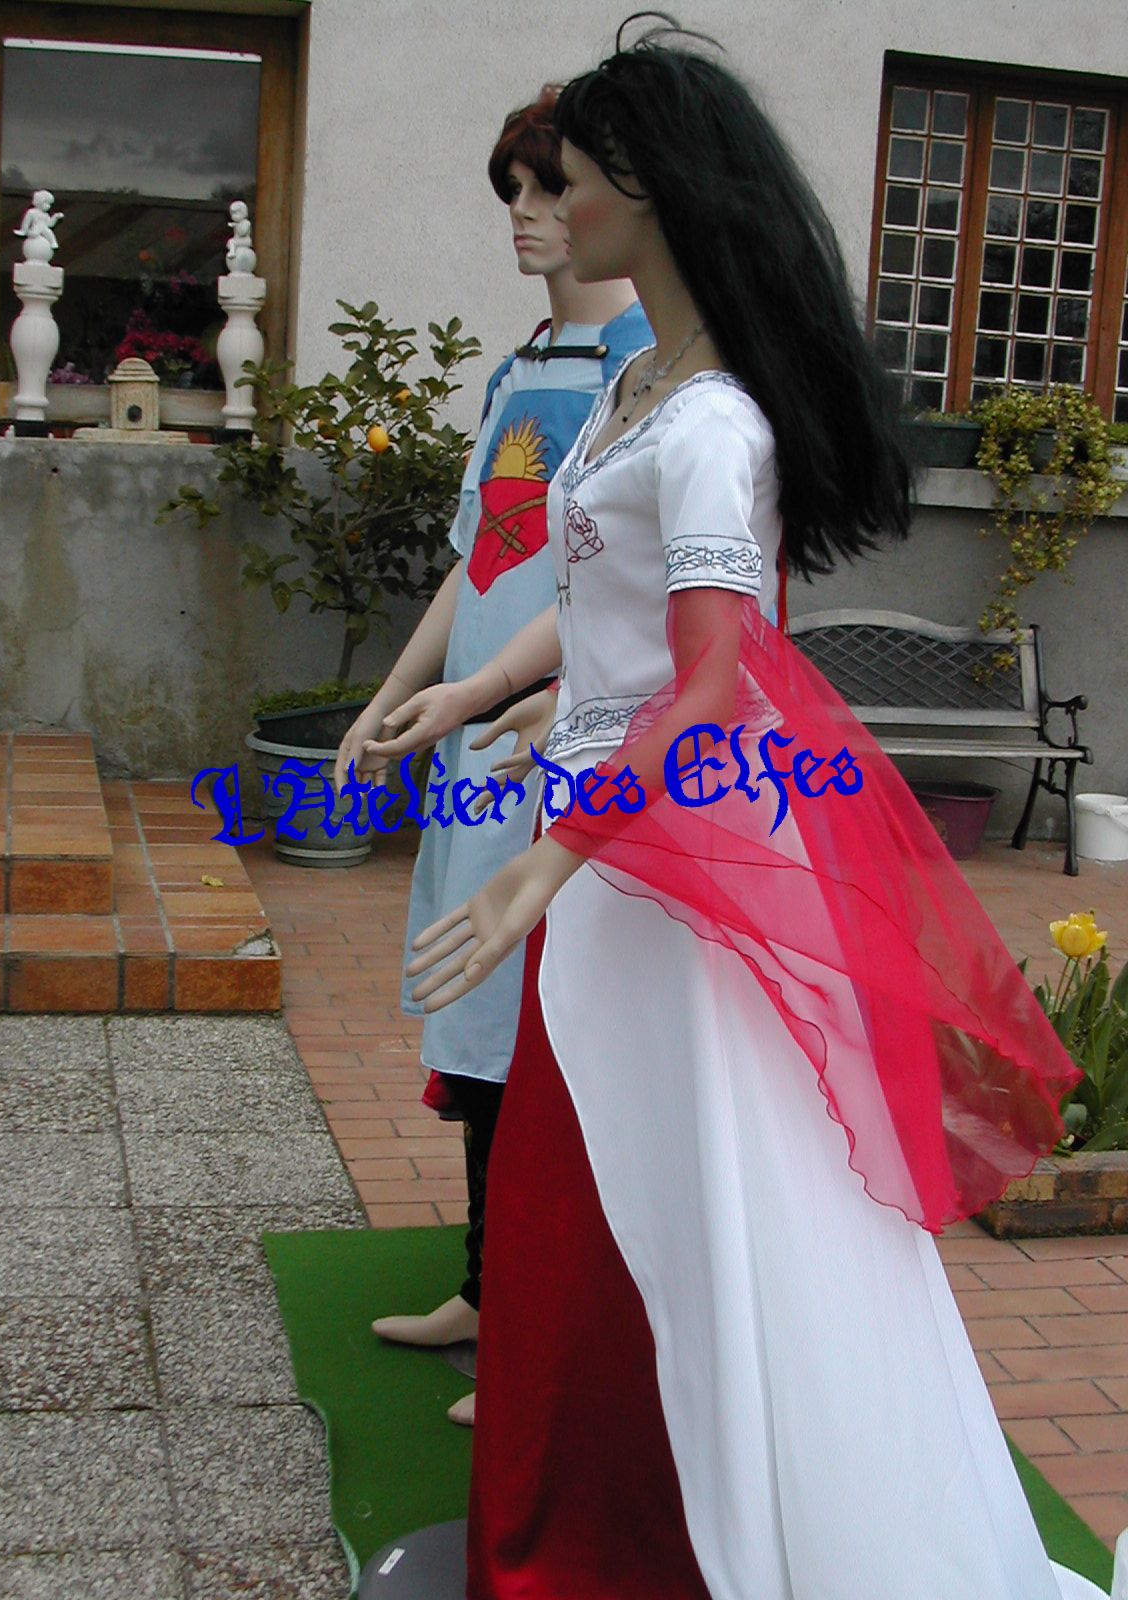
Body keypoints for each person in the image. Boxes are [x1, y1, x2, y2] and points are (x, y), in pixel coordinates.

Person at [377, 17, 1091, 1599]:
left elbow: (713, 682)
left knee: (696, 1186)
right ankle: (616, 1511)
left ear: (645, 186)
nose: (554, 205)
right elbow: (611, 606)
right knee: (607, 1187)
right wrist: (487, 691)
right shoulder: (639, 386)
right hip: (613, 839)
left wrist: (550, 863)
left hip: (664, 858)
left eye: (570, 178)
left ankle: (701, 1527)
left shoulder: (711, 425)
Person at [335, 84, 650, 1427]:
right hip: (482, 743)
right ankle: (484, 1289)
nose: (523, 215)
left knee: (550, 1028)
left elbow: (650, 596)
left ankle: (539, 1324)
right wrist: (393, 696)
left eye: (545, 187)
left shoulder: (654, 375)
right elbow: (482, 562)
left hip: (575, 754)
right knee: (475, 1025)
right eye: (512, 191)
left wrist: (553, 698)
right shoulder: (520, 374)